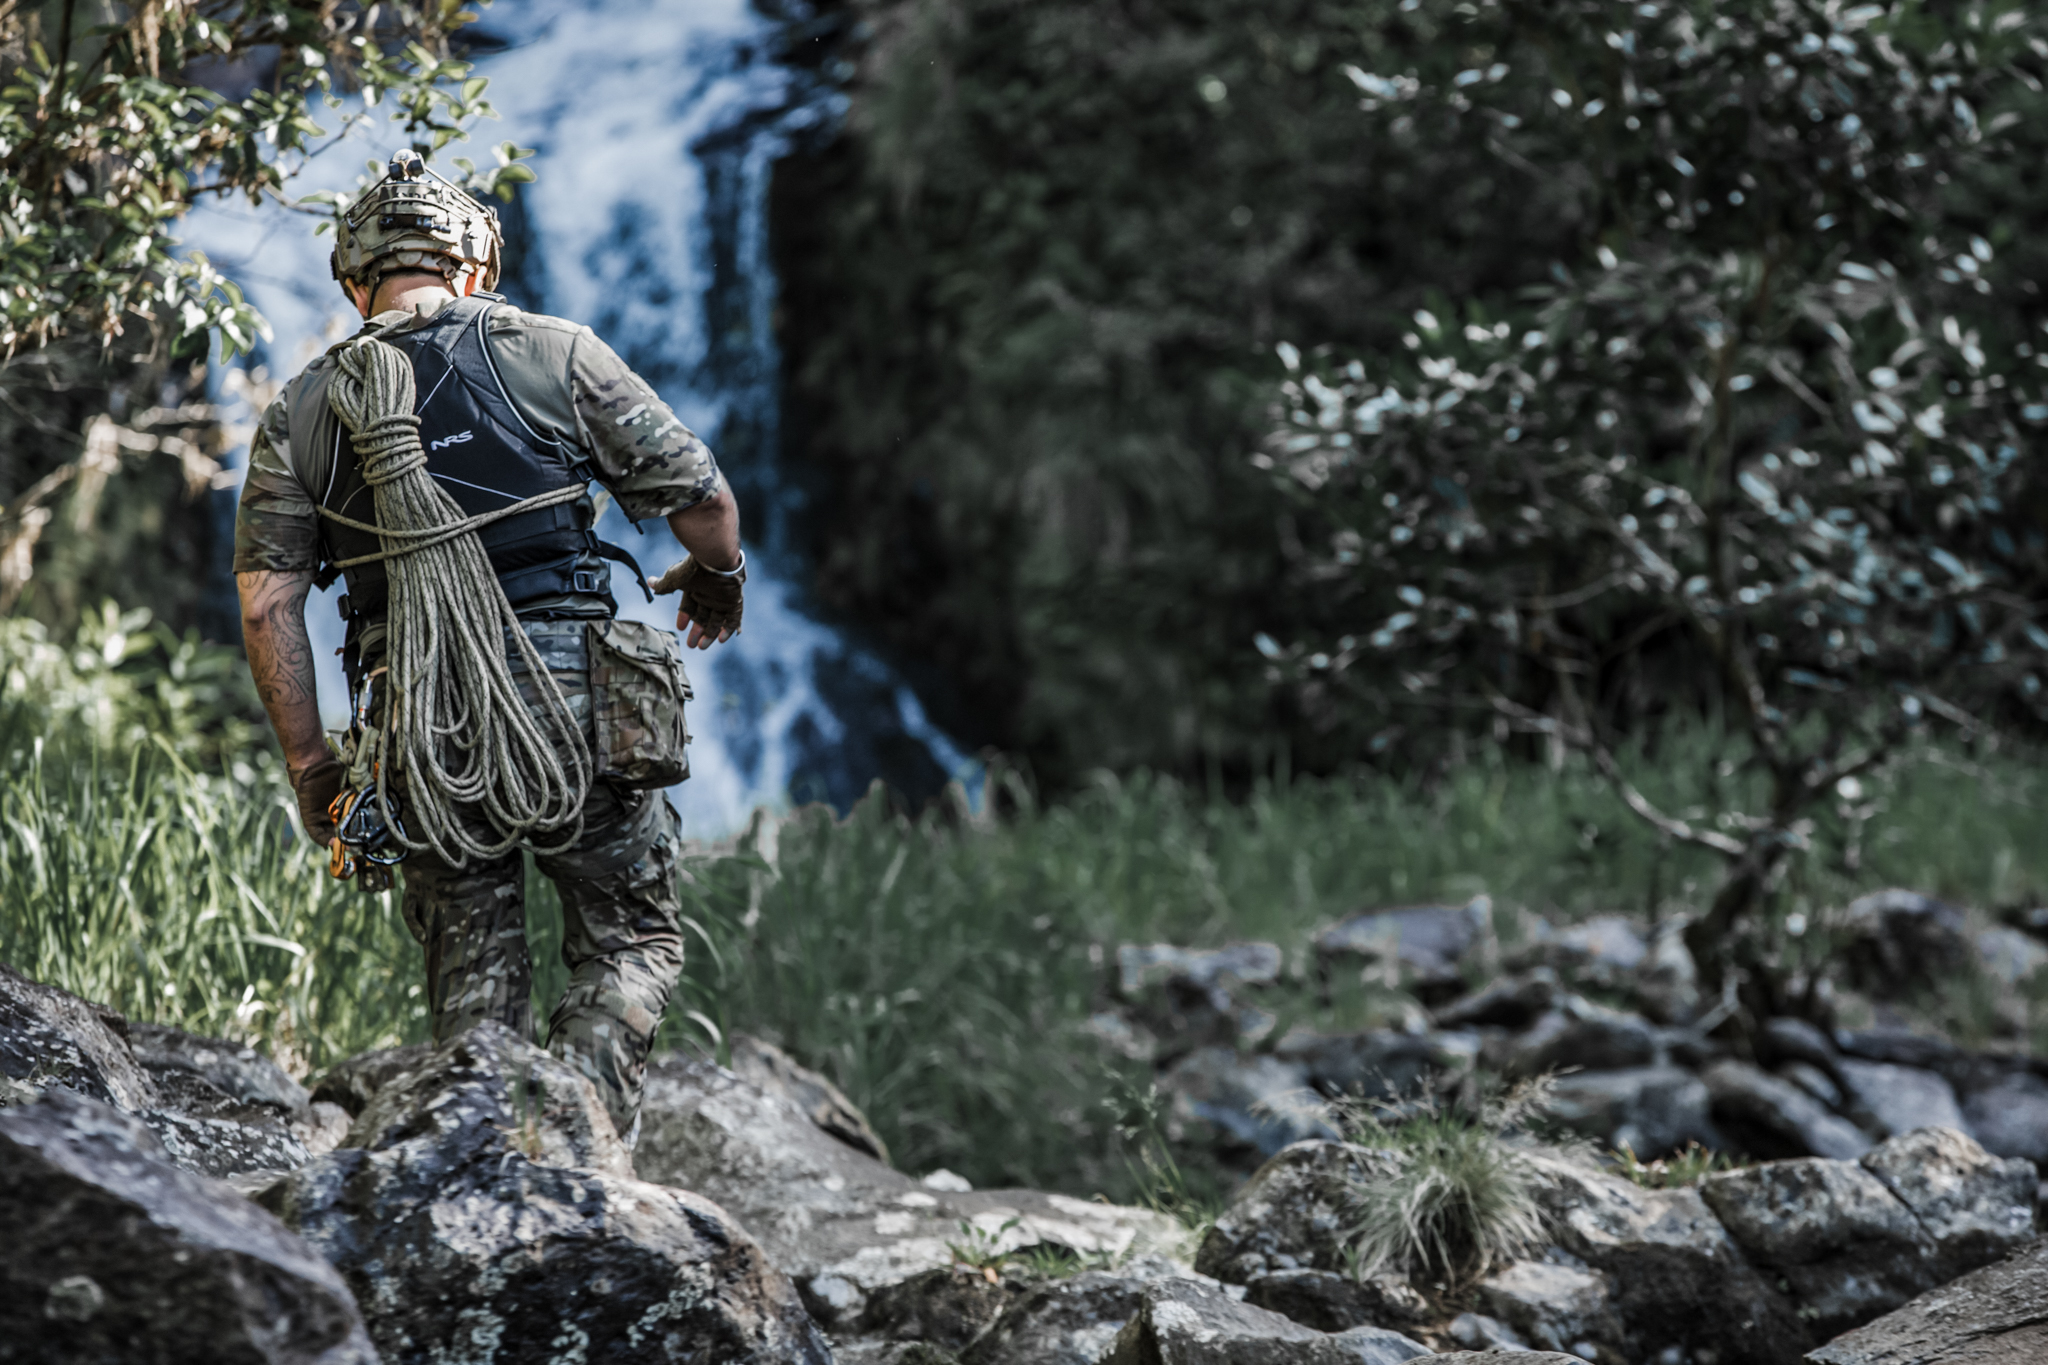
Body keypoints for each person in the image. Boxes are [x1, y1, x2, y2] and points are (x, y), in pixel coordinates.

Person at [233, 150, 744, 1145]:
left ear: (352, 283)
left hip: (418, 729)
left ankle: (484, 1175)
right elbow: (704, 504)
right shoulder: (552, 350)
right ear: (476, 268)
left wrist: (313, 771)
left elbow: (268, 610)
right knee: (628, 941)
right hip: (578, 715)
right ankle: (580, 1151)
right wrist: (719, 578)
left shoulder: (300, 409)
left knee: (474, 993)